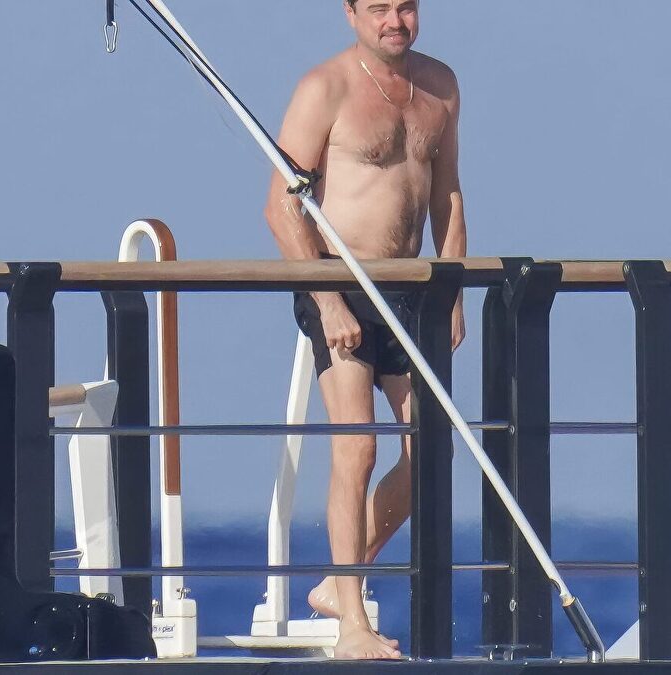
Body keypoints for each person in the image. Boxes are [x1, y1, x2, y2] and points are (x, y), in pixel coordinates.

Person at [264, 0, 466, 660]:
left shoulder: (440, 85)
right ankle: (353, 623)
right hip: (340, 284)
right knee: (358, 448)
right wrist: (327, 302)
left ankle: (338, 581)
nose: (394, 21)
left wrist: (451, 290)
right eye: (379, 8)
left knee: (431, 448)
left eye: (405, 7)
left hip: (410, 290)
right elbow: (280, 207)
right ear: (350, 13)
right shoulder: (324, 87)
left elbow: (448, 195)